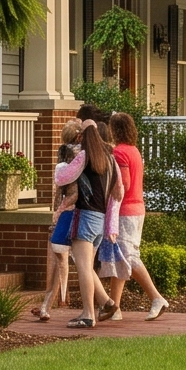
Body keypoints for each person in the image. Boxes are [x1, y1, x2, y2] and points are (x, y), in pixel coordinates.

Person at [106, 112, 170, 322]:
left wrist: (106, 197)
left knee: (128, 256)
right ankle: (114, 307)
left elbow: (122, 185)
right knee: (121, 257)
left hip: (125, 211)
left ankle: (156, 297)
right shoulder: (133, 151)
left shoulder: (119, 153)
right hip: (137, 208)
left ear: (115, 130)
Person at [70, 118, 118, 328]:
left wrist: (63, 164)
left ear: (82, 136)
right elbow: (119, 190)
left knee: (83, 268)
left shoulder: (84, 157)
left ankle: (88, 314)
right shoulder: (110, 159)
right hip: (100, 218)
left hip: (85, 217)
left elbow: (63, 178)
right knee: (88, 266)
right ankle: (107, 302)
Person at [35, 131, 86, 323]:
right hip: (82, 214)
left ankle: (47, 305)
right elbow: (67, 192)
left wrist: (56, 213)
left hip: (70, 214)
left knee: (60, 261)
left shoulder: (67, 157)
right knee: (81, 264)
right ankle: (98, 305)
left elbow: (62, 193)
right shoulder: (81, 155)